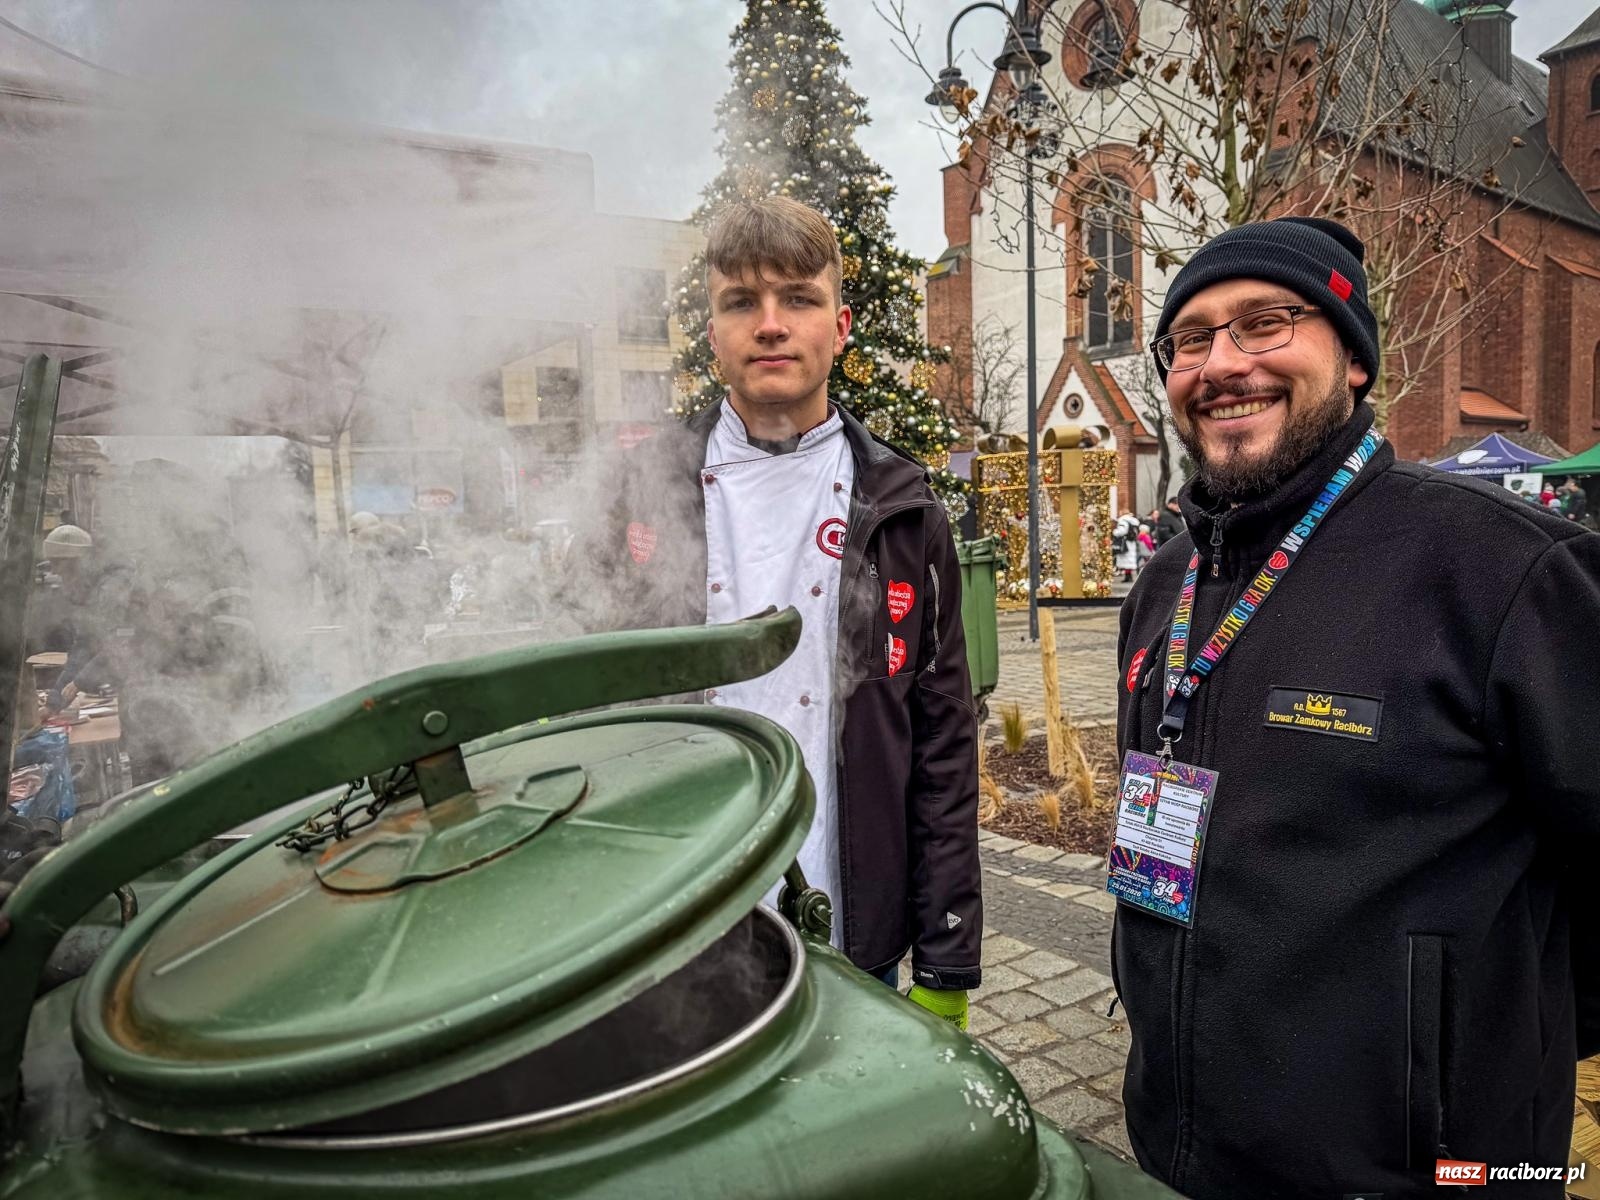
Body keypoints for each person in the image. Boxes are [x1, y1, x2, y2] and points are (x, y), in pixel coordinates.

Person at [1114, 216, 1600, 1199]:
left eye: (1264, 323)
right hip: (1182, 1151)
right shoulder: (1160, 586)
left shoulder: (1499, 570)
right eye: (1192, 339)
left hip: (1437, 1171)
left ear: (1355, 361)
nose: (1221, 363)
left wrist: (1471, 1057)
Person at [596, 195, 981, 1026]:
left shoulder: (904, 507)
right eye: (742, 302)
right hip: (675, 929)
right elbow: (595, 715)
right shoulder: (638, 492)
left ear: (839, 325)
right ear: (713, 334)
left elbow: (943, 741)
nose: (771, 324)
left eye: (798, 299)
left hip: (854, 928)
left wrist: (946, 958)